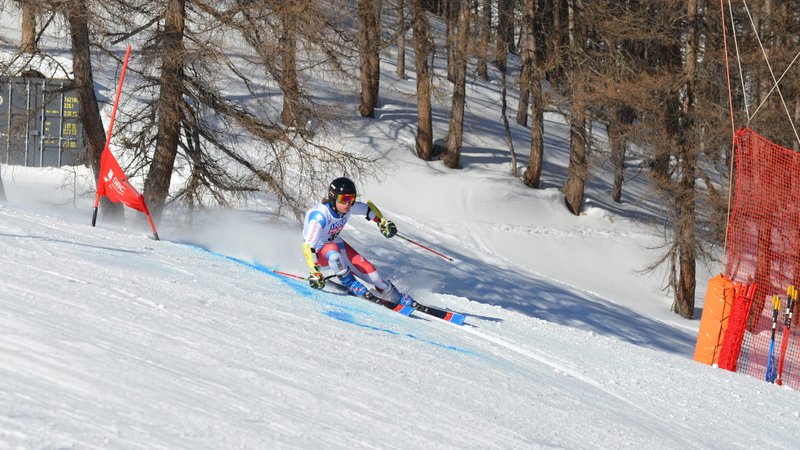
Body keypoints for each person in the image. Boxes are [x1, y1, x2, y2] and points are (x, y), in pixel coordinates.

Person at [301, 176, 413, 306]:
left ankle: (391, 293)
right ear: (333, 197)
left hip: (335, 244)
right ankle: (351, 283)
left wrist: (382, 222)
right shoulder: (320, 216)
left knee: (372, 273)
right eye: (344, 199)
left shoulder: (346, 207)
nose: (348, 203)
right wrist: (314, 272)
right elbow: (308, 246)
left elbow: (368, 209)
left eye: (351, 199)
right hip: (319, 252)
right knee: (333, 252)